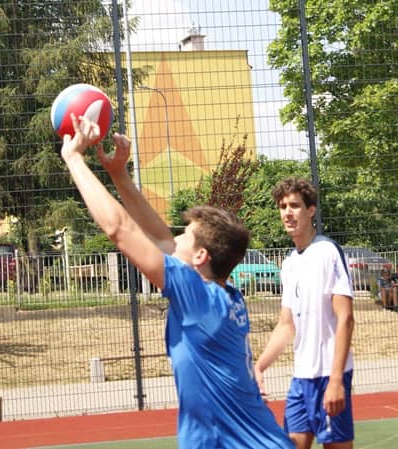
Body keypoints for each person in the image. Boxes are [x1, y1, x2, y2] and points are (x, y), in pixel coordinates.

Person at [60, 114, 293, 449]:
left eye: (184, 235)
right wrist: (118, 174)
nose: (175, 239)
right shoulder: (224, 294)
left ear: (200, 257)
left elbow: (119, 230)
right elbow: (159, 237)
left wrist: (74, 158)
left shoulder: (199, 297)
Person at [254, 177, 355, 449]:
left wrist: (336, 380)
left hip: (329, 374)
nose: (287, 212)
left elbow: (346, 318)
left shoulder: (328, 252)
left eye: (295, 205)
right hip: (301, 377)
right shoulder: (289, 263)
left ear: (310, 210)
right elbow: (286, 324)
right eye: (282, 206)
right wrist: (259, 366)